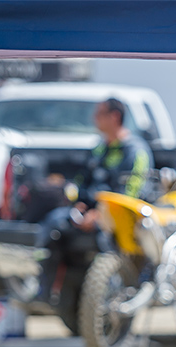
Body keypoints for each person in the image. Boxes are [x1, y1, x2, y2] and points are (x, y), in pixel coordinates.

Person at [34, 97, 152, 301]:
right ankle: (46, 293)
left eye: (99, 114)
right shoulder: (99, 149)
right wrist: (79, 204)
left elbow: (131, 191)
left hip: (119, 217)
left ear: (114, 117)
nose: (94, 119)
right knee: (54, 225)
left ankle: (116, 294)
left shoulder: (135, 151)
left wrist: (99, 214)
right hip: (89, 211)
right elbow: (82, 181)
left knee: (104, 238)